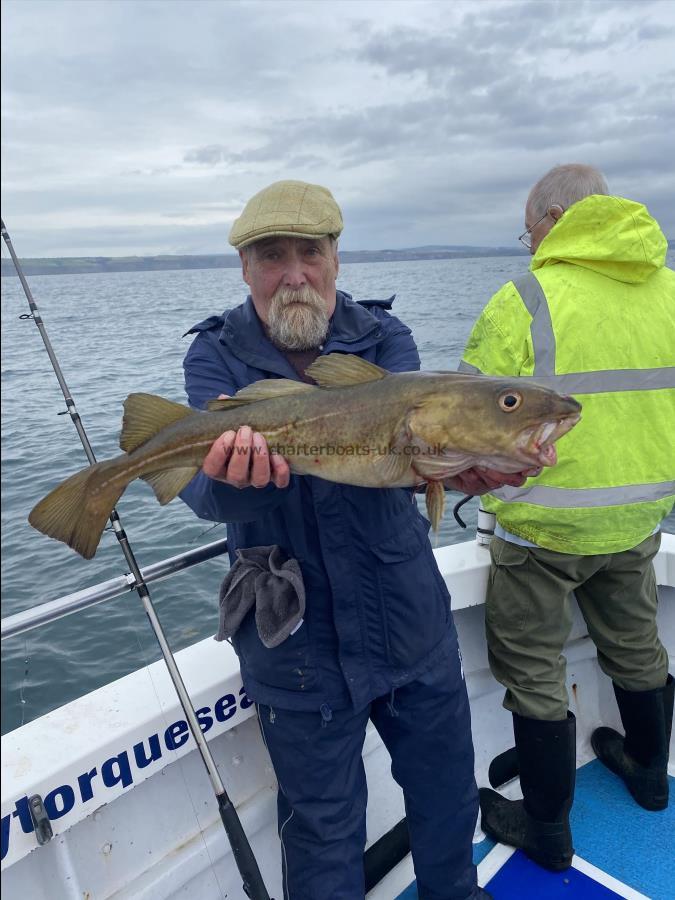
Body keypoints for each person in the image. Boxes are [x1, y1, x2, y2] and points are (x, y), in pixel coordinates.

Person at [179, 180, 525, 899]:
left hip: (405, 616)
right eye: (272, 256)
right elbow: (204, 497)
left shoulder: (385, 340)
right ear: (245, 268)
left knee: (445, 798)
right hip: (293, 639)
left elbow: (409, 461)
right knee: (320, 830)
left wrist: (465, 471)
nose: (294, 273)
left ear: (336, 258)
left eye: (310, 252)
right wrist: (237, 476)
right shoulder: (215, 356)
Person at [459, 163, 675, 872]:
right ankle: (648, 773)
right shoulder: (669, 290)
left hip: (541, 529)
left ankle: (547, 827)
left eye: (528, 231)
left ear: (553, 219)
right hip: (639, 518)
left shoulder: (525, 296)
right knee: (637, 646)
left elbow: (462, 417)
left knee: (532, 672)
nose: (527, 246)